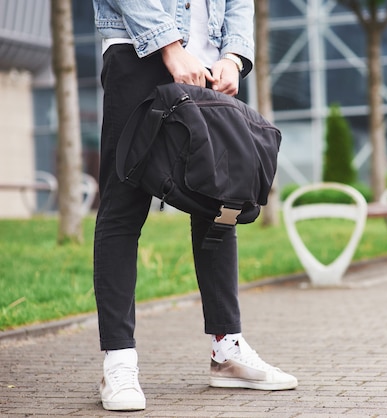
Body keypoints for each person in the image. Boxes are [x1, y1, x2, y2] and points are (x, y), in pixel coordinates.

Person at [91, 0, 297, 411]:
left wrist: (234, 57)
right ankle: (119, 361)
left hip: (208, 63)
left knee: (221, 205)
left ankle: (227, 350)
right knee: (124, 205)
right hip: (139, 50)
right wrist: (168, 45)